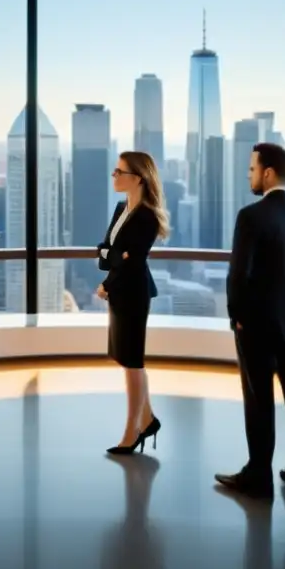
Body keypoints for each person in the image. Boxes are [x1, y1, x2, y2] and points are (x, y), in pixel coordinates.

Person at [216, 143, 285, 501]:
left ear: (267, 173)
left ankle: (259, 474)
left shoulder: (251, 217)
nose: (249, 175)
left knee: (258, 397)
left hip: (258, 325)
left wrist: (238, 318)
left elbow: (238, 276)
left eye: (251, 169)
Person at [96, 151, 169, 455]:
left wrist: (107, 281)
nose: (114, 176)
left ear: (137, 177)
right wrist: (115, 258)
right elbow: (104, 251)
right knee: (125, 358)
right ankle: (148, 418)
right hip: (119, 291)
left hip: (133, 293)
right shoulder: (120, 208)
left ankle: (132, 431)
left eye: (119, 171)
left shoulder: (147, 216)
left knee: (132, 361)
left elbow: (132, 260)